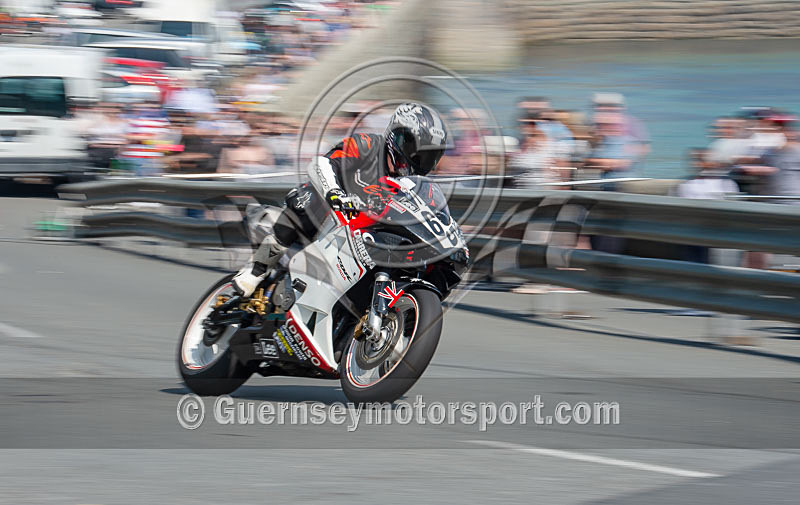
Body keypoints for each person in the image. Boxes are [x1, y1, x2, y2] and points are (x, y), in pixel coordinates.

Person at [231, 102, 449, 297]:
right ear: (398, 137)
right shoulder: (367, 144)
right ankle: (257, 269)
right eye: (416, 151)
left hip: (363, 240)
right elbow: (322, 164)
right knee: (308, 200)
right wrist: (334, 193)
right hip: (329, 219)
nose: (419, 161)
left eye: (429, 157)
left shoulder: (416, 186)